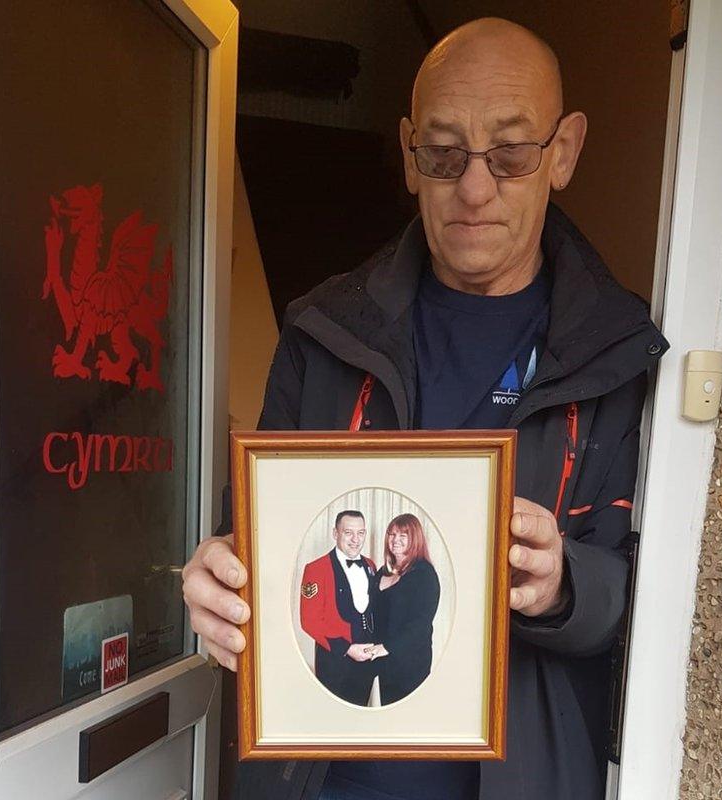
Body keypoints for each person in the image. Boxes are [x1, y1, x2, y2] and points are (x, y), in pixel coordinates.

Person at [182, 16, 670, 800]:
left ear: (565, 150)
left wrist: (563, 582)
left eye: (509, 153)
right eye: (443, 154)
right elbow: (253, 540)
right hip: (315, 775)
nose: (474, 188)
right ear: (410, 154)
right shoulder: (324, 333)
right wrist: (218, 583)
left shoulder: (618, 356)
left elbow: (640, 601)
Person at [299, 510, 380, 705]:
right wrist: (347, 648)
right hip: (335, 666)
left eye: (361, 533)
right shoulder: (316, 569)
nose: (355, 539)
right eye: (348, 533)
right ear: (336, 533)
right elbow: (309, 621)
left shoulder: (370, 565)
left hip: (367, 665)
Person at [370, 513, 439, 705]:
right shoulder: (382, 572)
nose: (395, 540)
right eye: (392, 534)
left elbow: (421, 624)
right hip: (384, 664)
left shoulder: (424, 574)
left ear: (414, 538)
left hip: (410, 664)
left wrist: (388, 647)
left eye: (403, 535)